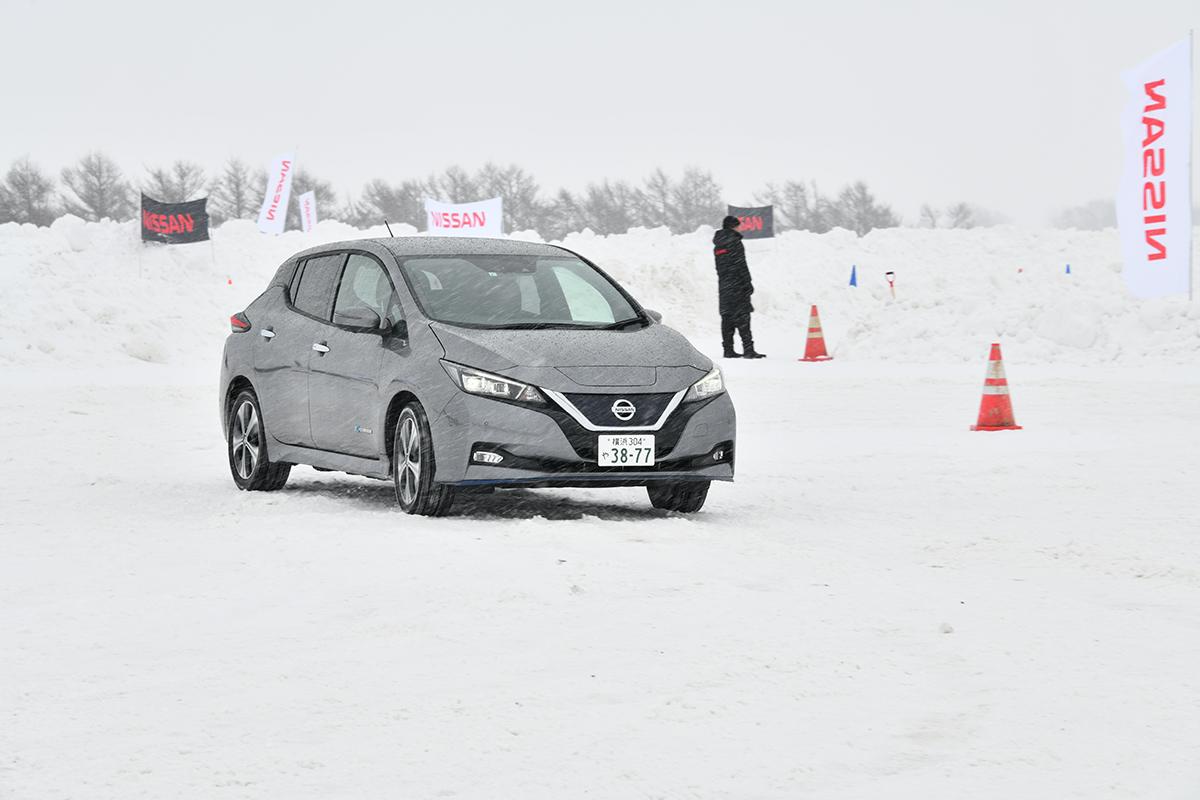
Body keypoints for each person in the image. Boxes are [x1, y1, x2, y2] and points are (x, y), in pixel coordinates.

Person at [712, 215, 765, 359]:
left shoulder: (718, 245)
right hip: (737, 285)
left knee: (727, 317)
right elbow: (741, 265)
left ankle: (728, 350)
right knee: (743, 317)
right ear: (733, 226)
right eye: (738, 225)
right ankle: (749, 350)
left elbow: (720, 268)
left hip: (724, 285)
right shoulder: (734, 242)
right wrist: (747, 283)